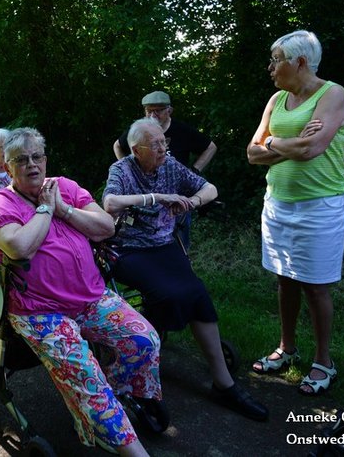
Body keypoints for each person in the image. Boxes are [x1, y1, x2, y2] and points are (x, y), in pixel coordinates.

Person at [0, 127, 164, 456]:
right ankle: (120, 434)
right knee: (86, 377)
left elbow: (105, 227)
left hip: (91, 298)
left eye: (37, 157)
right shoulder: (3, 201)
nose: (31, 164)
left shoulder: (64, 187)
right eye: (21, 160)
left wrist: (63, 209)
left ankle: (104, 398)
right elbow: (19, 247)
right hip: (40, 311)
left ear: (45, 159)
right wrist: (45, 210)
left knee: (145, 341)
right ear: (8, 168)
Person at [103, 118, 268, 422]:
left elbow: (210, 188)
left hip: (165, 245)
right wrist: (157, 197)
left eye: (164, 142)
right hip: (129, 250)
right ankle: (143, 354)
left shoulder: (170, 165)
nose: (163, 148)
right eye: (155, 144)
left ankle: (224, 384)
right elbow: (110, 203)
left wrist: (192, 201)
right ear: (137, 150)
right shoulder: (122, 169)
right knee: (167, 294)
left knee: (197, 293)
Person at [246, 30, 344, 396]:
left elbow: (312, 150)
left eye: (276, 60)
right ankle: (287, 348)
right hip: (277, 203)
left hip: (319, 206)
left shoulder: (332, 94)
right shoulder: (277, 99)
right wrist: (289, 142)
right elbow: (252, 153)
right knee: (285, 280)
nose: (271, 67)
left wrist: (274, 142)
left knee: (316, 286)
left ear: (300, 62)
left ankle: (324, 361)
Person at [113, 91, 217, 251]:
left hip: (176, 201)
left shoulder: (182, 131)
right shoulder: (140, 130)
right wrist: (129, 170)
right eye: (149, 111)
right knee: (141, 245)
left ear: (169, 110)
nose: (153, 115)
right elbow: (118, 145)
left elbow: (210, 147)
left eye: (158, 110)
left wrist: (195, 170)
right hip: (144, 202)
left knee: (179, 245)